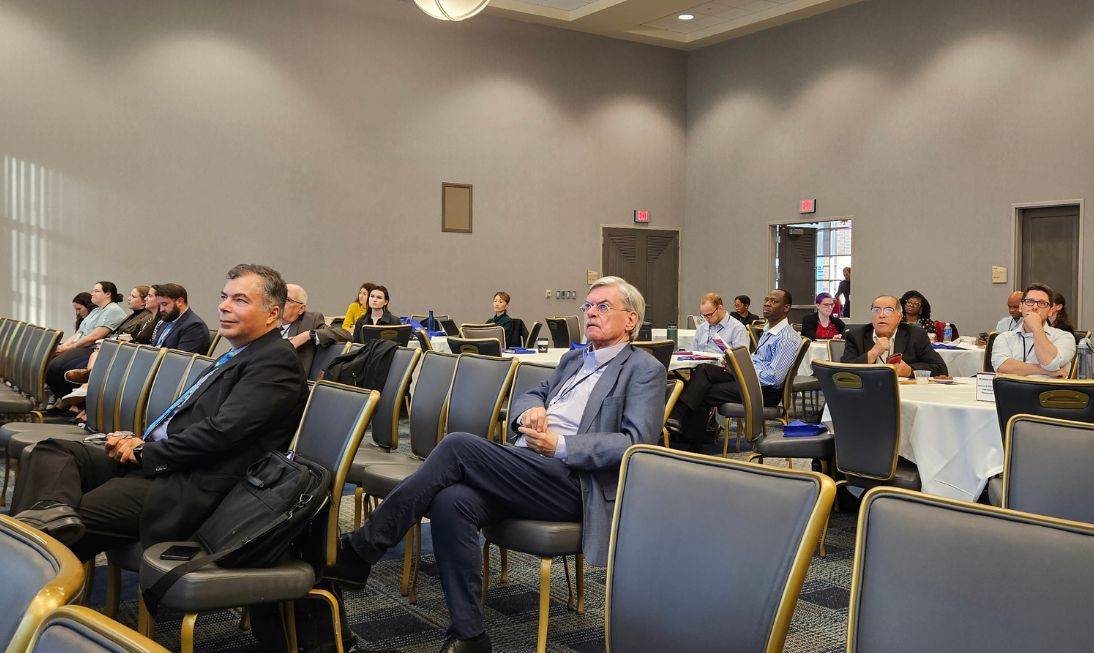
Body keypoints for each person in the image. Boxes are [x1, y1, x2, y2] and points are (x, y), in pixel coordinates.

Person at [325, 276, 665, 653]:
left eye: (603, 306)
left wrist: (562, 445)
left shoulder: (643, 370)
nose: (590, 313)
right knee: (451, 501)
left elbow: (637, 444)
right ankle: (469, 635)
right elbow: (533, 392)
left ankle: (360, 550)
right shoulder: (574, 358)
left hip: (574, 481)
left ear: (631, 320)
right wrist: (530, 409)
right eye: (587, 306)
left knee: (457, 447)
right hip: (527, 466)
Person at [11, 264, 308, 562]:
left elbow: (221, 433)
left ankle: (30, 561)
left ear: (272, 314)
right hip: (164, 462)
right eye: (224, 297)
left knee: (58, 526)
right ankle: (49, 514)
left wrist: (144, 453)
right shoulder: (242, 354)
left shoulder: (275, 362)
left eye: (239, 300)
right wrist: (139, 443)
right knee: (52, 452)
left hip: (188, 487)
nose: (224, 306)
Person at [667, 290, 799, 450]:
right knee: (704, 370)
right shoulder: (769, 331)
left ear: (786, 308)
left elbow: (775, 377)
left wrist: (741, 370)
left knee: (703, 390)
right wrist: (738, 366)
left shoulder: (787, 338)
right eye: (766, 299)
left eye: (774, 301)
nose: (767, 303)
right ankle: (686, 433)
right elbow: (757, 361)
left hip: (763, 391)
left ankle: (684, 432)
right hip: (750, 380)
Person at [46, 282, 129, 405]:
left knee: (56, 366)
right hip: (82, 346)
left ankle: (71, 404)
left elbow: (94, 336)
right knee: (50, 360)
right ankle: (62, 400)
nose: (92, 294)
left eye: (96, 291)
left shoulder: (113, 310)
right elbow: (80, 332)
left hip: (93, 349)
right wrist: (64, 346)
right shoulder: (96, 310)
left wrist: (71, 347)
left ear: (107, 294)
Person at [841, 295, 948, 377]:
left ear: (899, 317)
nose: (881, 315)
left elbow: (941, 369)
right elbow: (843, 373)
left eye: (888, 310)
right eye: (876, 310)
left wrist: (910, 371)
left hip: (904, 394)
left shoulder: (916, 335)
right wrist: (872, 353)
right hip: (867, 392)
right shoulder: (856, 335)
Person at [991, 283, 1076, 378]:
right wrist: (1047, 372)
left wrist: (1036, 326)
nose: (1034, 307)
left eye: (1042, 303)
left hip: (1047, 392)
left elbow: (1050, 363)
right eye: (1029, 301)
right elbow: (1002, 367)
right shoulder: (1004, 338)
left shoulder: (1064, 337)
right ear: (1020, 307)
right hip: (1011, 391)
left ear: (1050, 311)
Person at [281, 283, 350, 373]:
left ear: (301, 309)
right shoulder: (263, 319)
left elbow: (345, 334)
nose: (280, 302)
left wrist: (307, 335)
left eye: (287, 300)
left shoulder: (309, 320)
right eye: (278, 297)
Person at [150, 283, 212, 354]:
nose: (161, 309)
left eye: (164, 304)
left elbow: (180, 361)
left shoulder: (194, 326)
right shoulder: (167, 320)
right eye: (160, 305)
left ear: (180, 302)